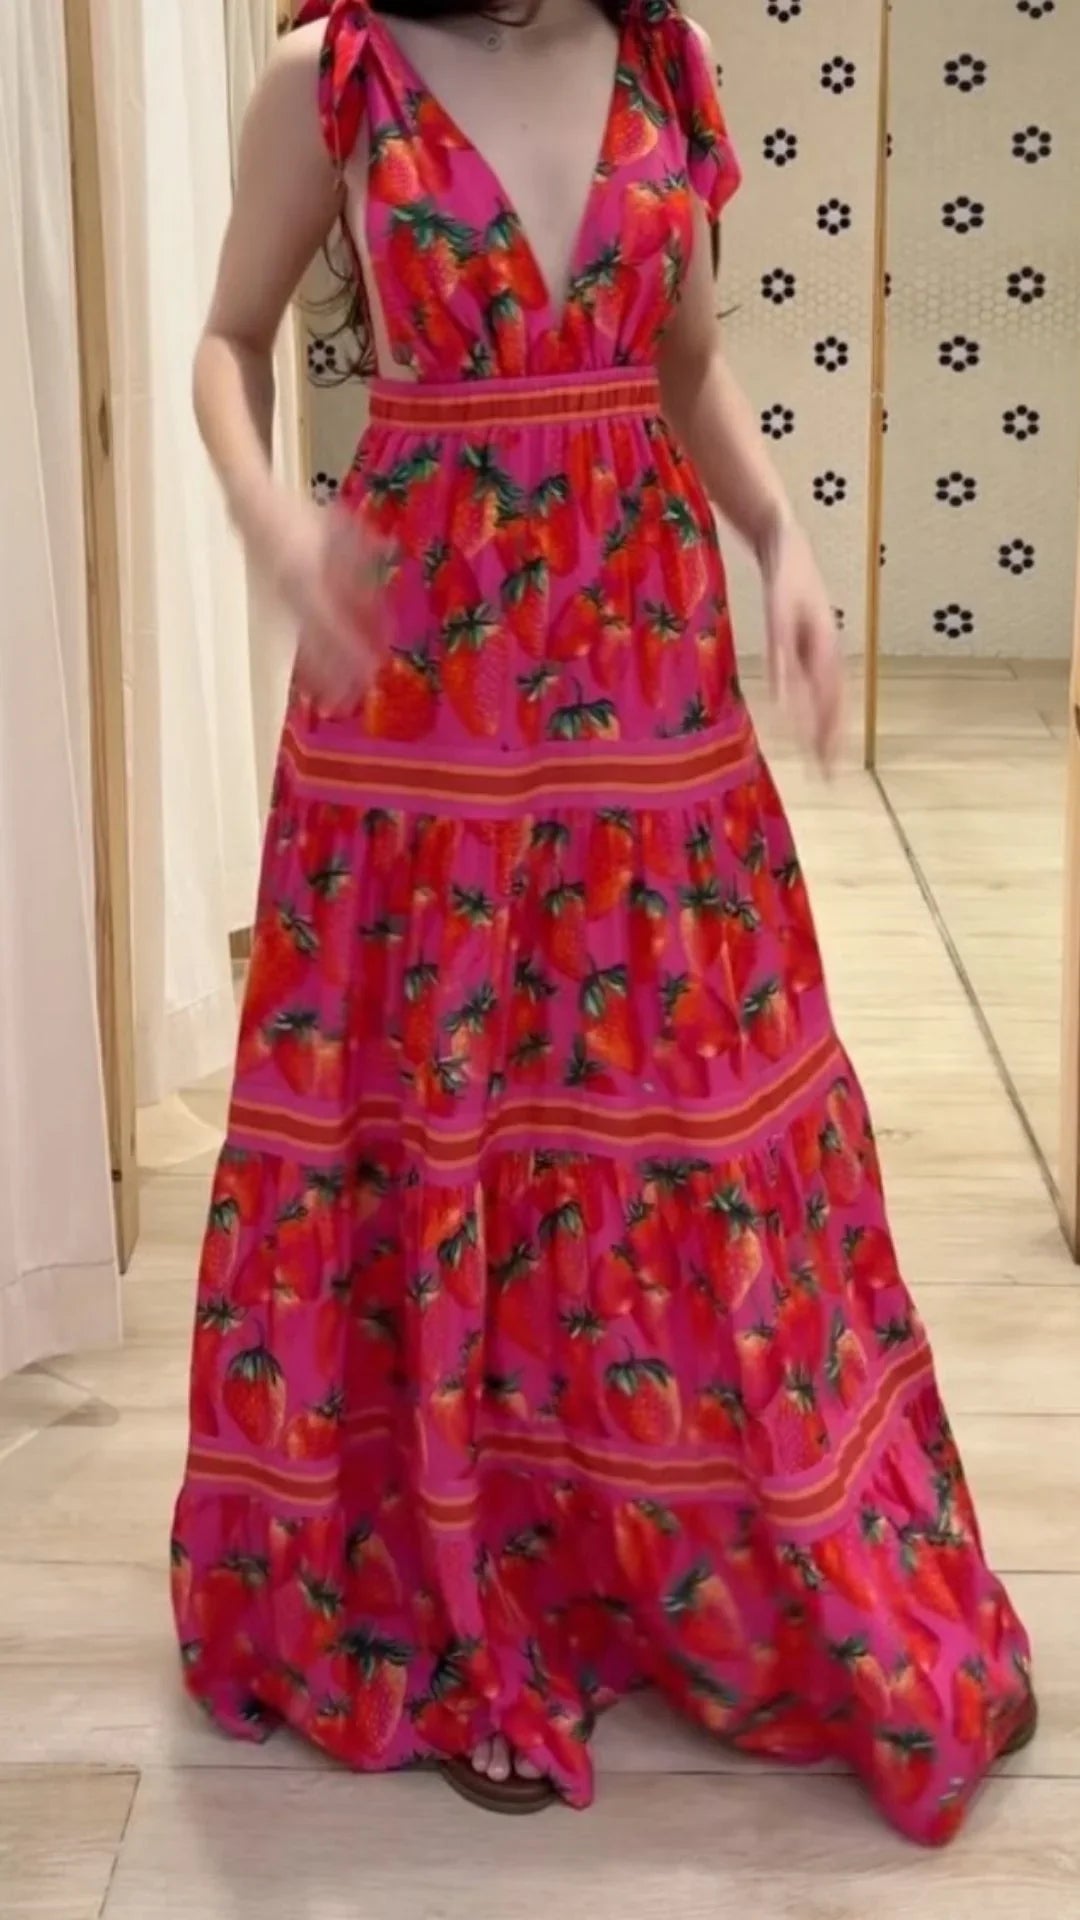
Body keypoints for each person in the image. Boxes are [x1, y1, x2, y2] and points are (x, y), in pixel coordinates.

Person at [170, 0, 1036, 1841]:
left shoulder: (663, 59)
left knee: (678, 1104)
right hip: (423, 679)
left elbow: (687, 360)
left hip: (641, 642)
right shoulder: (330, 79)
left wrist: (783, 540)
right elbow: (226, 345)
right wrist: (271, 523)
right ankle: (460, 1578)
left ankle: (671, 1535)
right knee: (451, 1108)